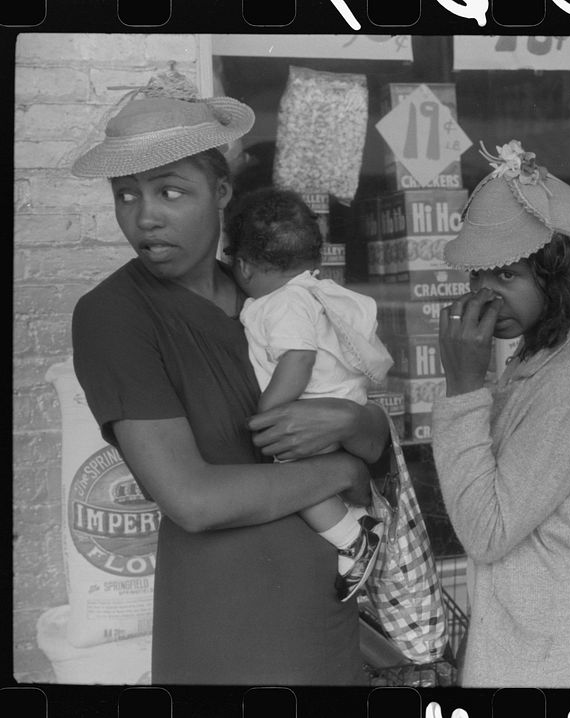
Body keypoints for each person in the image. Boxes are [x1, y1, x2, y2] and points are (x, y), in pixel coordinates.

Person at [69, 72, 390, 685]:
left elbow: (373, 439)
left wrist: (357, 420)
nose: (145, 218)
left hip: (328, 617)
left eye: (170, 191)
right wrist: (343, 468)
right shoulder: (115, 316)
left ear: (220, 192)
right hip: (227, 632)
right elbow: (192, 500)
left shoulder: (271, 292)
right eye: (125, 195)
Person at [431, 140, 570, 687]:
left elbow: (487, 530)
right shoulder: (555, 345)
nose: (486, 293)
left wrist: (461, 387)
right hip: (545, 636)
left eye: (508, 276)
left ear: (563, 276)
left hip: (552, 659)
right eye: (480, 275)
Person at [223, 186, 393, 602]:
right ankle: (356, 519)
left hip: (313, 410)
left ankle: (352, 539)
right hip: (339, 406)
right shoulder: (310, 293)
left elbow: (297, 359)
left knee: (291, 475)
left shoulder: (283, 303)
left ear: (244, 267)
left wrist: (269, 411)